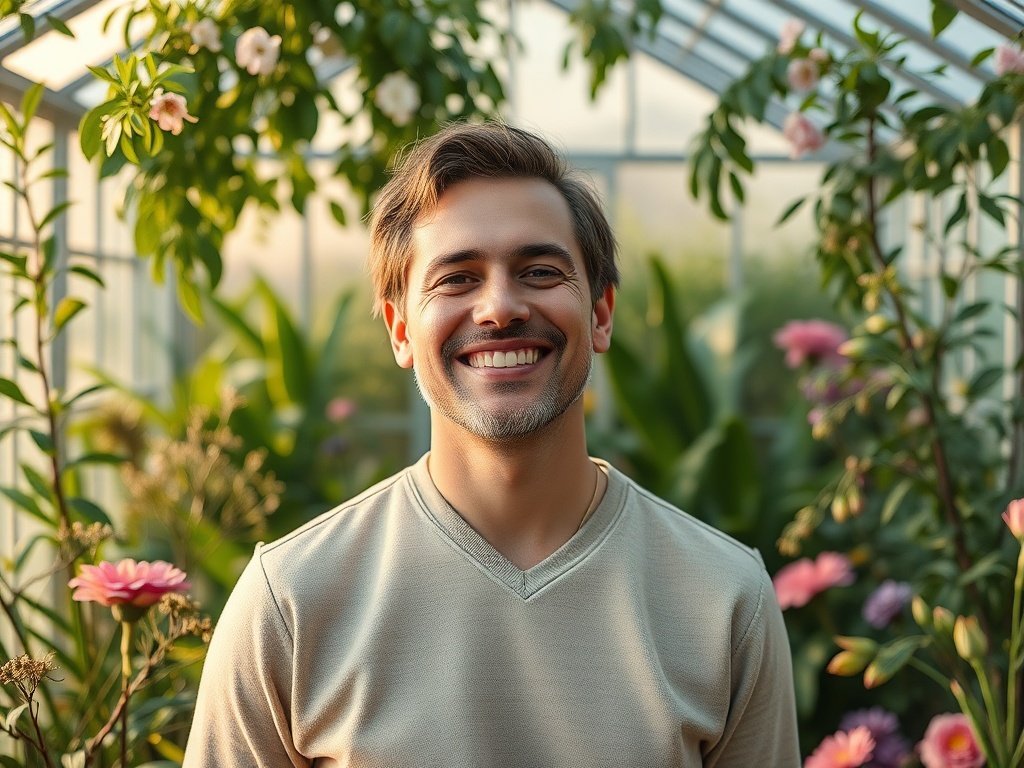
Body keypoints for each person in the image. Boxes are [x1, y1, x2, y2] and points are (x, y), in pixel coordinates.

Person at [183, 121, 800, 767]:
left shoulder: (725, 599)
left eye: (538, 270)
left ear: (600, 313)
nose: (499, 308)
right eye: (456, 279)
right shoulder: (291, 601)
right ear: (399, 329)